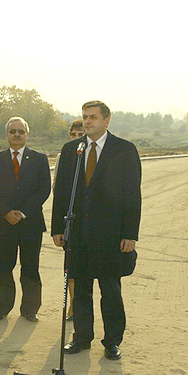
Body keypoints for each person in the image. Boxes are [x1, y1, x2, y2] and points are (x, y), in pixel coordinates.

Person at [52, 100, 141, 361]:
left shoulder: (124, 150)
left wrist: (130, 234)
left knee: (110, 290)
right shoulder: (72, 150)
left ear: (106, 120)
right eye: (84, 117)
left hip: (111, 235)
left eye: (92, 117)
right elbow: (62, 193)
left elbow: (132, 196)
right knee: (80, 289)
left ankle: (112, 341)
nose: (87, 122)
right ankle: (81, 337)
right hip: (78, 233)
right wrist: (58, 227)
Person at [0, 117, 51, 322]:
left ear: (27, 134)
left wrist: (22, 213)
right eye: (12, 131)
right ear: (6, 135)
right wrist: (6, 213)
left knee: (30, 267)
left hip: (30, 223)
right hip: (3, 224)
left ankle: (30, 309)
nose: (16, 135)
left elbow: (44, 190)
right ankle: (2, 307)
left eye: (21, 131)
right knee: (4, 267)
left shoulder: (40, 159)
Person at [53, 118, 84, 321]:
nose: (76, 139)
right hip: (71, 222)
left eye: (80, 135)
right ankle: (73, 306)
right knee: (71, 270)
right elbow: (58, 189)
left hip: (90, 222)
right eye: (73, 135)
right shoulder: (64, 155)